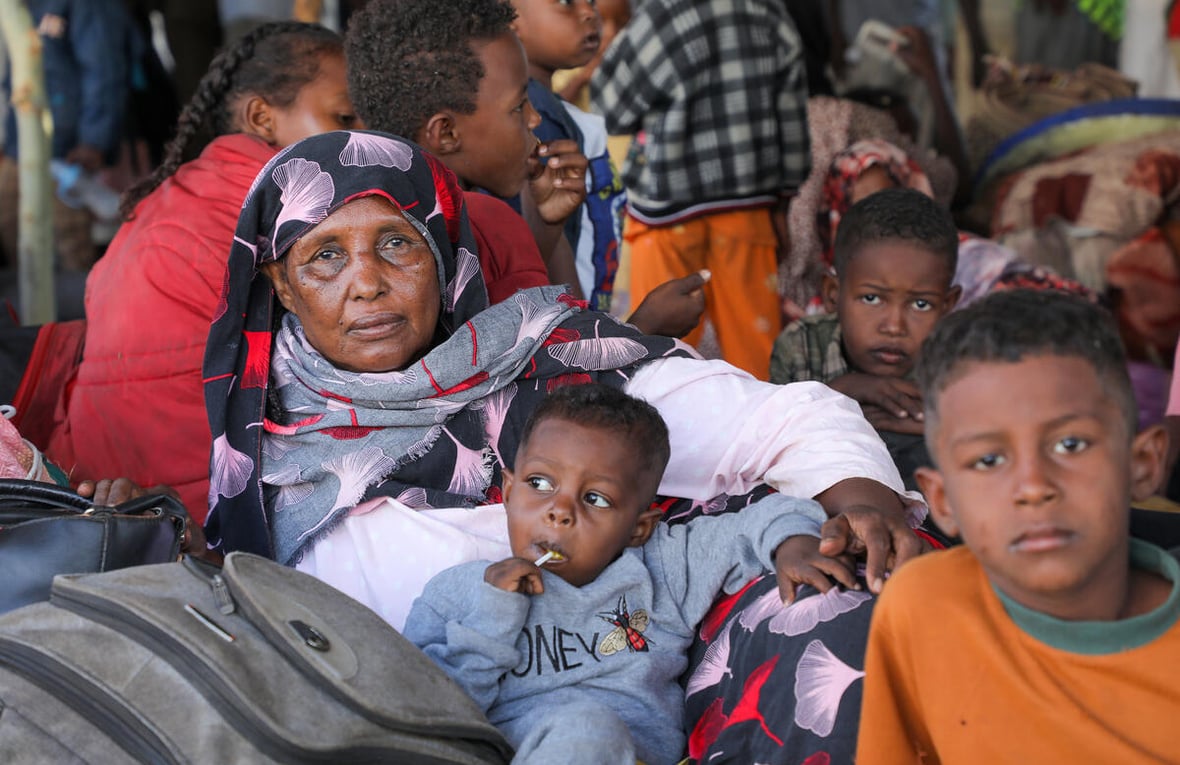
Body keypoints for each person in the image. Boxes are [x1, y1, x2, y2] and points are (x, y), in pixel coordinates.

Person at [201, 129, 929, 758]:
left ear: (442, 249)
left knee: (838, 614)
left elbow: (787, 420)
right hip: (411, 727)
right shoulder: (265, 451)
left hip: (641, 690)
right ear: (283, 285)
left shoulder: (549, 360)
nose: (368, 283)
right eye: (325, 256)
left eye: (396, 243)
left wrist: (863, 501)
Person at [405, 384, 829, 764]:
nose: (560, 510)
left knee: (588, 726)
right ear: (510, 492)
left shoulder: (663, 567)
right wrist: (491, 614)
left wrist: (793, 543)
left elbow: (766, 517)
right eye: (539, 482)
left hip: (628, 752)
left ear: (638, 528)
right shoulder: (457, 592)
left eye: (595, 498)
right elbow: (427, 716)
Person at [46, 22, 355, 522]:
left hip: (96, 490)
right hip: (199, 513)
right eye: (344, 115)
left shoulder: (177, 194)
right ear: (261, 117)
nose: (364, 136)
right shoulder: (287, 216)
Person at [856, 289, 1179, 763]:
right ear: (942, 499)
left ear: (1144, 464)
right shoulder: (921, 608)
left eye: (1070, 445)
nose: (1032, 486)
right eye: (989, 460)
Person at [345, 0, 702, 337]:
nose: (534, 119)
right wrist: (644, 328)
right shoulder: (444, 238)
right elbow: (557, 364)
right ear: (447, 133)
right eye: (519, 107)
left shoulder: (441, 216)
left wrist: (547, 224)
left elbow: (567, 321)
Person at [591, 0, 810, 379]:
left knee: (660, 350)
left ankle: (668, 431)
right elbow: (791, 121)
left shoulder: (660, 16)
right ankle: (768, 431)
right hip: (749, 205)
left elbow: (612, 107)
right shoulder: (769, 12)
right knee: (758, 351)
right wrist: (782, 203)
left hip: (666, 211)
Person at [770, 188, 961, 489]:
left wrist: (943, 425)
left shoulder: (960, 361)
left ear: (948, 306)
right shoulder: (802, 346)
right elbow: (773, 438)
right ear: (833, 293)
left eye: (921, 304)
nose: (894, 326)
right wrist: (839, 393)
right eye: (872, 298)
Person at [0, 0, 130, 271]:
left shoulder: (83, 6)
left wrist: (93, 139)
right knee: (17, 239)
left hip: (67, 155)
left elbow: (103, 68)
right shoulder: (20, 7)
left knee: (71, 246)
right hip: (20, 147)